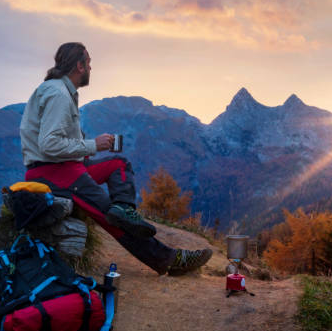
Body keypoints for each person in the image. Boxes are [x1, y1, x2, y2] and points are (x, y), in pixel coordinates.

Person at [19, 42, 212, 276]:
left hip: (65, 165)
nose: (91, 68)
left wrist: (85, 148)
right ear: (79, 66)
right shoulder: (58, 94)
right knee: (110, 217)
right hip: (53, 172)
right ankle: (169, 260)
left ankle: (124, 209)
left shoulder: (60, 91)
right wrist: (92, 145)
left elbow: (55, 140)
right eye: (88, 63)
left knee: (118, 165)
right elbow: (49, 144)